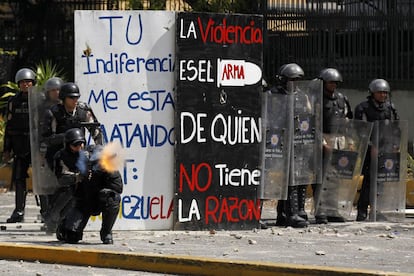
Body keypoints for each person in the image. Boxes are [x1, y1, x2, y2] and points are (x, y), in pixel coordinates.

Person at [42, 82, 102, 231]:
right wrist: (67, 137)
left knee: (77, 188)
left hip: (78, 154)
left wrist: (99, 151)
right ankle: (52, 217)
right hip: (59, 155)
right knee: (64, 186)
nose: (74, 100)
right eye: (71, 97)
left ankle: (62, 220)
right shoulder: (53, 113)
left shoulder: (83, 111)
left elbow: (95, 131)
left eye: (76, 97)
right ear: (63, 98)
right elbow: (47, 138)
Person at [272, 63, 321, 228]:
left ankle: (294, 211)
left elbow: (308, 115)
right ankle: (290, 213)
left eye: (297, 80)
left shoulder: (302, 96)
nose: (294, 83)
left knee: (300, 177)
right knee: (288, 180)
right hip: (279, 142)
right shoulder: (274, 94)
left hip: (299, 142)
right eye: (291, 79)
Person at [54, 128, 123, 244]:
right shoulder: (63, 157)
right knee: (70, 237)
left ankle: (106, 232)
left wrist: (104, 170)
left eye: (81, 144)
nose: (79, 147)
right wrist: (78, 176)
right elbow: (61, 178)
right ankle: (64, 225)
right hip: (82, 201)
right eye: (75, 145)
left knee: (113, 198)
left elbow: (118, 188)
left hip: (99, 198)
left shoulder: (101, 160)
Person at [354, 79, 399, 221]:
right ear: (372, 93)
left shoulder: (390, 108)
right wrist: (371, 146)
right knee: (368, 181)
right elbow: (360, 130)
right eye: (380, 92)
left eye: (385, 93)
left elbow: (396, 128)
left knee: (382, 181)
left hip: (386, 150)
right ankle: (362, 211)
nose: (383, 95)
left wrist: (395, 145)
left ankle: (378, 210)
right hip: (369, 150)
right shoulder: (363, 108)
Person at [314, 68, 353, 224]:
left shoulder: (342, 99)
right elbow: (313, 121)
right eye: (331, 82)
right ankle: (321, 211)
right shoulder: (316, 98)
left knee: (336, 177)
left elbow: (348, 120)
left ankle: (332, 210)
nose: (333, 85)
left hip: (339, 138)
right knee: (322, 176)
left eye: (335, 82)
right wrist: (322, 142)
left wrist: (349, 141)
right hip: (323, 138)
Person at [3, 68, 37, 223]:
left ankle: (46, 211)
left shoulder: (39, 100)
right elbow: (8, 126)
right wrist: (7, 149)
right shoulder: (13, 102)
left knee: (40, 180)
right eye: (22, 82)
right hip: (19, 146)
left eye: (28, 82)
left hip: (35, 146)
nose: (26, 85)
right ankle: (18, 211)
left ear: (33, 83)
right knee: (18, 178)